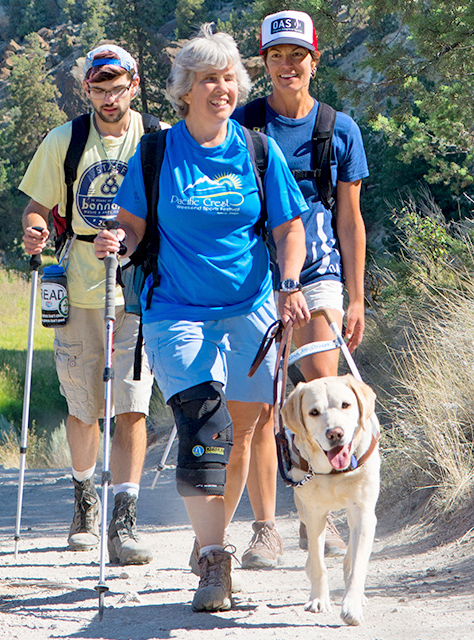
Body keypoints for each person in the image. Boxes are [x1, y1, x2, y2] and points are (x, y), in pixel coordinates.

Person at [94, 25, 310, 612]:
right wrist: (118, 237)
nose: (222, 88)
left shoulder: (258, 151)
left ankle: (205, 538)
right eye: (209, 79)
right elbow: (134, 224)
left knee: (240, 436)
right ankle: (217, 560)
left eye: (229, 78)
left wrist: (289, 285)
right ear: (185, 89)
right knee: (204, 429)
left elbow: (289, 228)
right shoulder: (158, 151)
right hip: (177, 312)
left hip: (252, 311)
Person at [227, 10, 371, 568]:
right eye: (277, 56)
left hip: (318, 271)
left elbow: (350, 220)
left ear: (314, 59)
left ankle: (325, 513)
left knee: (323, 389)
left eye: (297, 55)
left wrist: (356, 297)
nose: (288, 65)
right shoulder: (242, 125)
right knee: (262, 405)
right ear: (264, 63)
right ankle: (266, 528)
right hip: (253, 271)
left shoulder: (340, 130)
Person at [19, 44, 164, 566]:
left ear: (135, 83)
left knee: (131, 404)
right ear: (87, 90)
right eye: (99, 89)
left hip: (137, 288)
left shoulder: (156, 140)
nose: (109, 98)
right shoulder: (66, 140)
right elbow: (37, 209)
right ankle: (85, 501)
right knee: (83, 406)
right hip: (79, 285)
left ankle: (123, 518)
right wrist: (35, 232)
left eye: (117, 87)